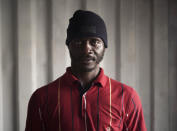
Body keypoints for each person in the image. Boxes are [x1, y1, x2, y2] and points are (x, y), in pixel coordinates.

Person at [25, 10, 147, 131]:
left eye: (95, 42)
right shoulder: (42, 98)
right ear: (69, 46)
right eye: (78, 42)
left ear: (104, 46)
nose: (86, 49)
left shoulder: (126, 97)